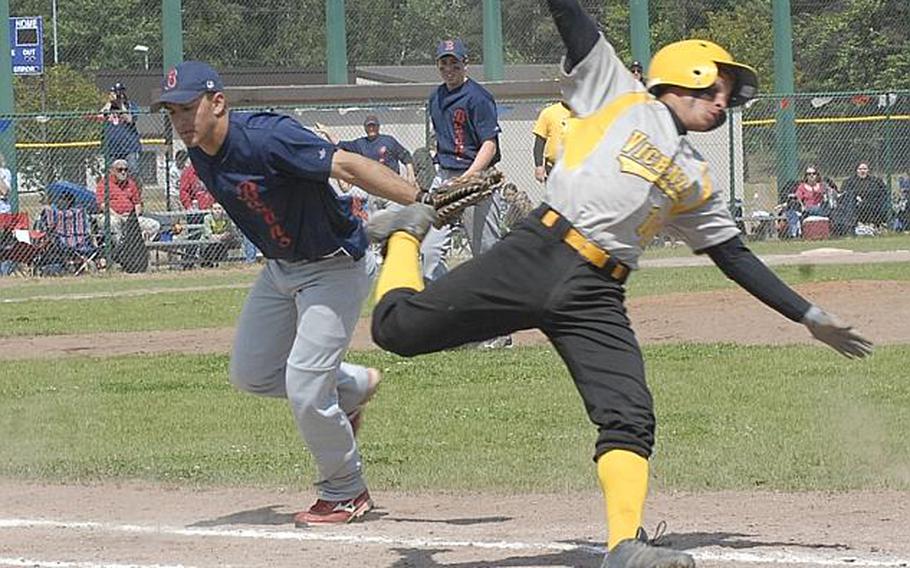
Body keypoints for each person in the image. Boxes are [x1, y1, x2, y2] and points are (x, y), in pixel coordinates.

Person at [366, 1, 873, 566]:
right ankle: (407, 235)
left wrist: (807, 315)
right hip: (541, 249)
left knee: (629, 414)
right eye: (715, 89)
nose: (723, 101)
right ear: (683, 78)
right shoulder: (620, 93)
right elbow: (578, 27)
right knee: (395, 330)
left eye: (727, 94)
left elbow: (734, 256)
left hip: (597, 293)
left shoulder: (696, 177)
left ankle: (624, 547)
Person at [154, 60, 420, 525]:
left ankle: (345, 491)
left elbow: (348, 165)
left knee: (303, 384)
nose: (179, 121)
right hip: (281, 269)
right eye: (171, 112)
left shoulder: (267, 136)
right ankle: (350, 388)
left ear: (218, 103)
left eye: (187, 108)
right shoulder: (199, 149)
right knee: (251, 373)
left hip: (333, 265)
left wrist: (420, 202)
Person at [423, 37, 503, 282]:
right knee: (428, 252)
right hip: (446, 177)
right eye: (444, 63)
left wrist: (467, 178)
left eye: (454, 63)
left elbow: (489, 145)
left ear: (465, 64)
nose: (449, 69)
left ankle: (496, 311)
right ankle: (449, 301)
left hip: (477, 177)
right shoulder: (435, 98)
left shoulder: (478, 97)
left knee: (486, 254)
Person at [94, 159, 160, 243]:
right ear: (112, 171)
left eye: (125, 169)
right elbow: (103, 205)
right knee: (114, 223)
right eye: (119, 169)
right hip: (111, 216)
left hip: (130, 217)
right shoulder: (104, 184)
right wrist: (118, 216)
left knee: (154, 225)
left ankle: (138, 246)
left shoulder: (131, 183)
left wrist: (132, 217)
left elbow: (137, 204)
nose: (123, 172)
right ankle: (121, 248)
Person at [100, 83, 143, 179]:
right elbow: (100, 117)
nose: (119, 95)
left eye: (121, 92)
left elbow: (129, 119)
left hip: (129, 147)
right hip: (111, 148)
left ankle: (135, 193)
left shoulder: (130, 105)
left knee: (133, 172)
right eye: (116, 92)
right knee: (110, 175)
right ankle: (114, 194)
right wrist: (110, 102)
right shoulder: (108, 107)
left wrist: (120, 104)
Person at [532, 101, 572, 183]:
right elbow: (539, 142)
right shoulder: (549, 113)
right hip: (554, 168)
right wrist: (539, 165)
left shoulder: (586, 113)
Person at [843, 162, 889, 228]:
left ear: (868, 170)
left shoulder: (876, 181)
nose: (862, 171)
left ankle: (877, 224)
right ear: (856, 170)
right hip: (857, 203)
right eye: (860, 169)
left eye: (864, 169)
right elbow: (845, 193)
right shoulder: (849, 181)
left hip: (874, 203)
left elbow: (884, 191)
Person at [200, 202, 237, 266]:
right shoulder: (207, 218)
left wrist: (222, 236)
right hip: (209, 241)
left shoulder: (226, 218)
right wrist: (217, 236)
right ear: (211, 210)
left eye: (219, 209)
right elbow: (208, 234)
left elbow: (229, 231)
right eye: (215, 209)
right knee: (211, 245)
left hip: (223, 240)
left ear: (223, 210)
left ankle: (220, 262)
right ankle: (208, 262)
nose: (217, 211)